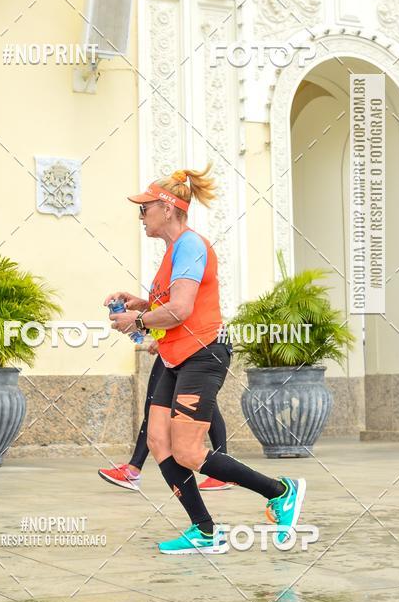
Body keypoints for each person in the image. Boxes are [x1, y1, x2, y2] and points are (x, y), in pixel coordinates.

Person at [108, 166, 306, 555]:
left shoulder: (191, 245)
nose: (140, 217)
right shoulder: (172, 252)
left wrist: (138, 321)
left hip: (203, 354)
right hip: (176, 356)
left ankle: (281, 491)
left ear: (167, 208)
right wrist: (142, 302)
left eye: (144, 208)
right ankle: (203, 529)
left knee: (188, 451)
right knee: (158, 440)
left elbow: (180, 309)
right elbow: (175, 302)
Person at [97, 340, 232, 492]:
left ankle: (133, 470)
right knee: (206, 404)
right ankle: (223, 471)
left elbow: (181, 316)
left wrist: (163, 336)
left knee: (156, 403)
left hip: (191, 345)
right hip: (189, 346)